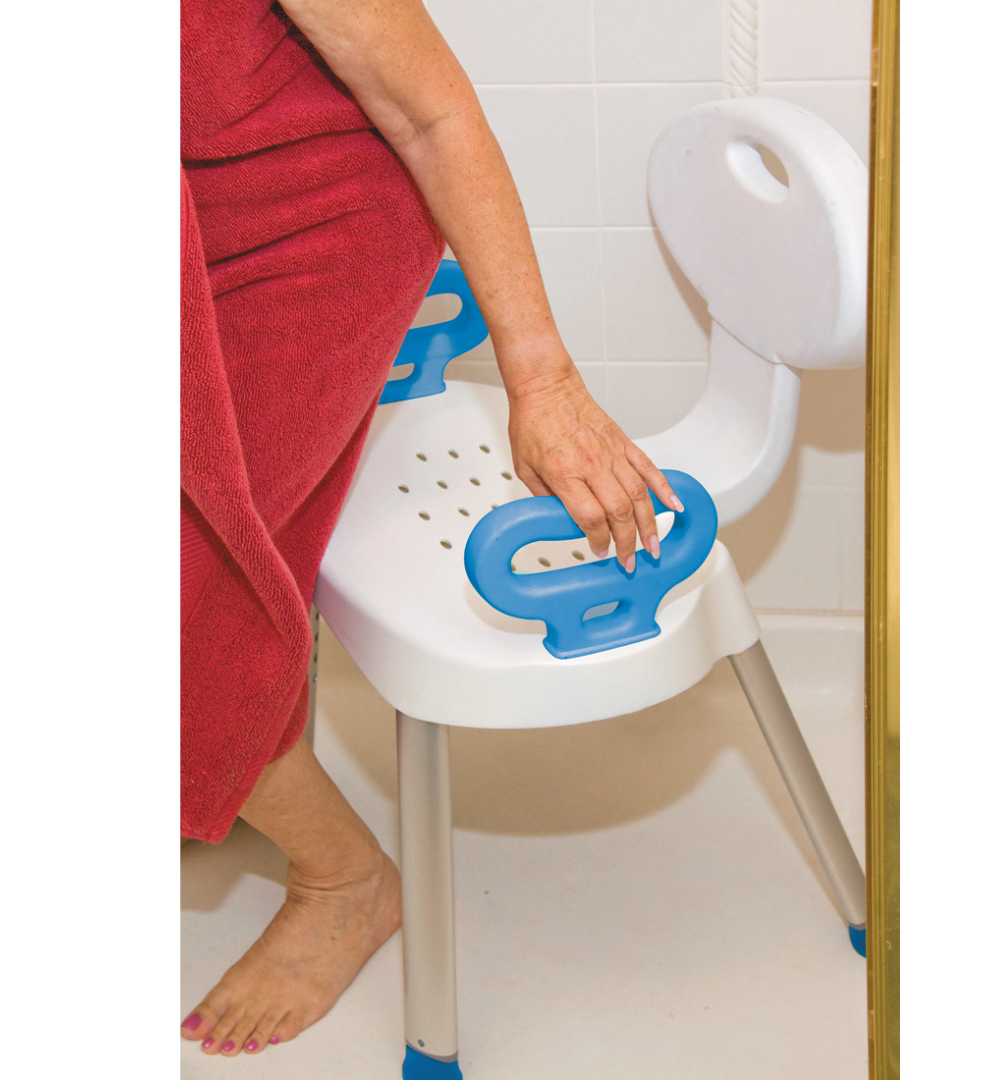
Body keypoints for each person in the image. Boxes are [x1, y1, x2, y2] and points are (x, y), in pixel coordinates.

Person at [180, 0, 682, 1057]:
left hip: (305, 230)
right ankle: (214, 754)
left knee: (172, 615)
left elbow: (431, 115)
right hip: (177, 239)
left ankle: (344, 880)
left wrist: (540, 378)